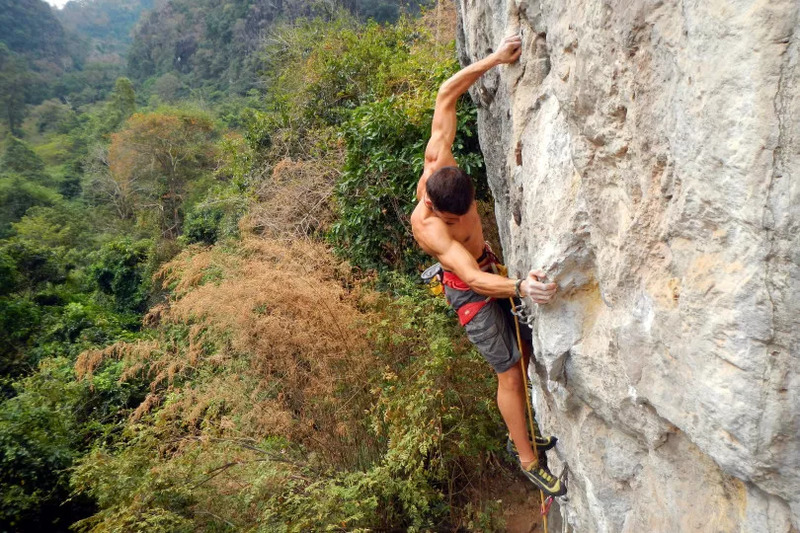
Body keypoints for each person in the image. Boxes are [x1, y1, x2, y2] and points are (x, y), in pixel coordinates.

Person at [409, 34, 566, 497]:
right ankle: (528, 460)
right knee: (510, 371)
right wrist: (519, 286)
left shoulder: (440, 158)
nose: (464, 221)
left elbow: (446, 93)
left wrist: (495, 59)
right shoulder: (431, 229)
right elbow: (473, 278)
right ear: (437, 211)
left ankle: (520, 427)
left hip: (487, 269)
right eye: (457, 219)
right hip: (466, 287)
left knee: (529, 351)